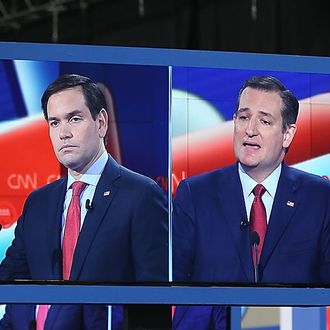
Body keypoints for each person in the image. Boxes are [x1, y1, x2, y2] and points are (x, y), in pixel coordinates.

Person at [0, 74, 168, 329]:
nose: (63, 133)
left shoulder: (141, 195)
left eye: (74, 119)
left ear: (101, 122)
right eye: (54, 123)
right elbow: (10, 280)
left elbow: (154, 299)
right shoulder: (38, 203)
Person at [172, 75, 330, 329]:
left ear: (287, 134)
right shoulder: (195, 194)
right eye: (243, 117)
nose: (250, 130)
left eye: (264, 121)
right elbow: (174, 291)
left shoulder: (320, 197)